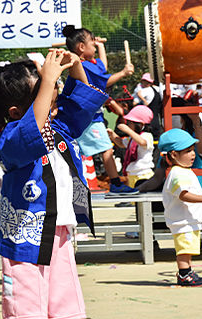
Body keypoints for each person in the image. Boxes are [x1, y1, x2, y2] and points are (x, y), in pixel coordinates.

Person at [0, 50, 107, 319]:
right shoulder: (9, 138)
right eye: (44, 88)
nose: (53, 90)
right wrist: (48, 79)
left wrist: (75, 66)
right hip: (25, 240)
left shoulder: (59, 127)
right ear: (15, 112)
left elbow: (80, 103)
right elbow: (33, 130)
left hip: (59, 233)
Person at [62, 25, 138, 195]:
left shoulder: (88, 64)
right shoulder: (81, 64)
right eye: (92, 44)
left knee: (78, 151)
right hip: (86, 117)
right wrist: (123, 73)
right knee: (106, 149)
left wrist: (100, 46)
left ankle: (77, 186)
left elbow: (102, 68)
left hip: (86, 115)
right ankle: (116, 184)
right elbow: (105, 80)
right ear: (82, 47)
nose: (94, 48)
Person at [159, 129, 202, 287]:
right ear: (173, 155)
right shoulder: (178, 173)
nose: (193, 155)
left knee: (188, 247)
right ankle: (184, 274)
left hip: (187, 219)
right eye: (188, 151)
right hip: (182, 220)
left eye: (193, 150)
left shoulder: (183, 171)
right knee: (184, 249)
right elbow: (183, 195)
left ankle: (188, 271)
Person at [107, 105, 155, 188]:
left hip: (144, 174)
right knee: (133, 199)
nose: (128, 124)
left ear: (141, 124)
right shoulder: (132, 138)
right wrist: (112, 134)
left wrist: (128, 131)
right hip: (132, 174)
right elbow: (121, 143)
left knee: (142, 199)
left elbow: (142, 142)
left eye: (130, 123)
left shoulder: (147, 135)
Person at [133, 73, 163, 140]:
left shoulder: (144, 90)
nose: (147, 84)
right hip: (157, 122)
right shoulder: (157, 89)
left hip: (147, 123)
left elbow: (134, 103)